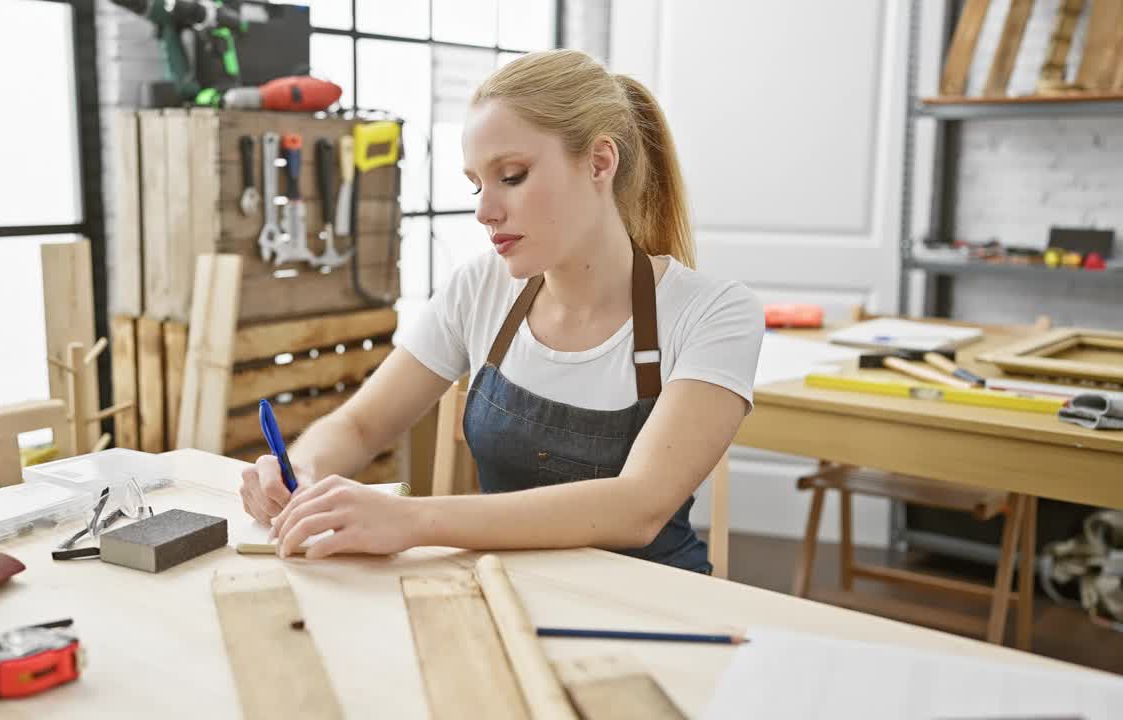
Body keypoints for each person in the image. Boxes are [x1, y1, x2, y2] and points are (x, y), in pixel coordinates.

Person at [239, 48, 763, 574]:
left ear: (600, 162)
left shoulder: (715, 313)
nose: (484, 211)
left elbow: (637, 508)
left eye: (511, 176)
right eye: (476, 184)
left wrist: (411, 519)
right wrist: (302, 472)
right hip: (502, 591)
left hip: (657, 603)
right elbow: (359, 426)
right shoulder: (479, 288)